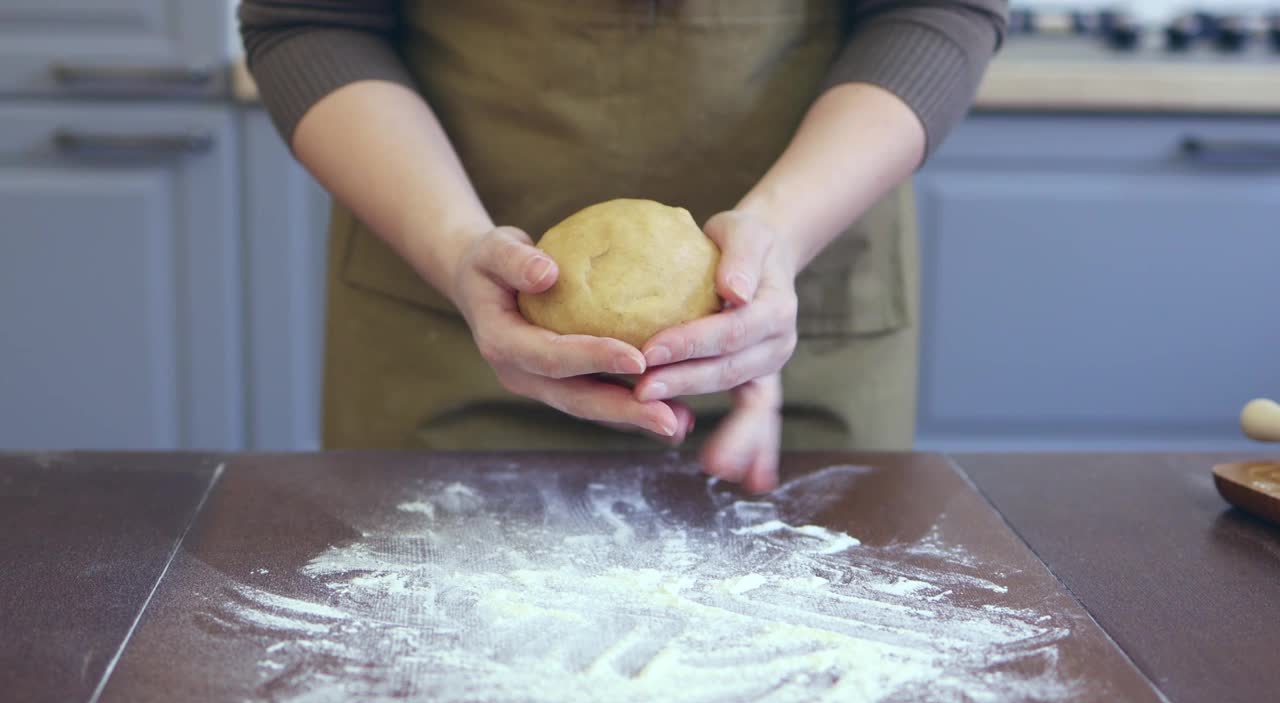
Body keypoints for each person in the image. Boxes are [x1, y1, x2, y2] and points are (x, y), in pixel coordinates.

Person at [238, 0, 1008, 494]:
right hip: (448, 320)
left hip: (799, 300)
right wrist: (454, 244)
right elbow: (311, 17)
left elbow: (935, 10)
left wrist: (781, 231)